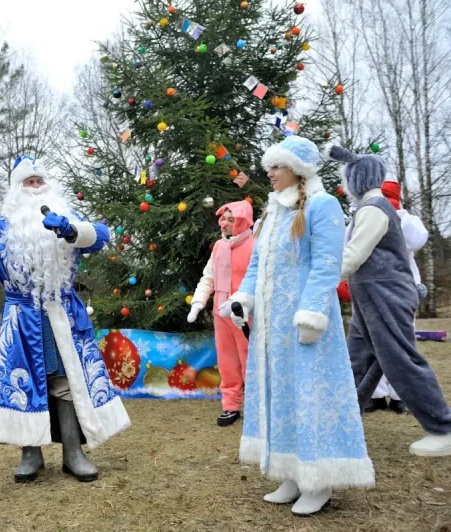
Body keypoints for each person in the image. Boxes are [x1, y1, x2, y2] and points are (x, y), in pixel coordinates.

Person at [0, 155, 130, 483]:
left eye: (39, 180)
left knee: (67, 381)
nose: (35, 186)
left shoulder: (65, 216)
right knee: (22, 381)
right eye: (29, 181)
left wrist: (71, 231)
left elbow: (100, 236)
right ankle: (31, 454)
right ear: (17, 188)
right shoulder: (1, 224)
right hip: (21, 316)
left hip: (63, 316)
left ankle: (73, 452)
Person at [225, 136, 374, 515]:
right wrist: (244, 297)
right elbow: (257, 265)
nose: (270, 174)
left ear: (297, 169)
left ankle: (319, 479)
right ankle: (290, 470)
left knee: (311, 394)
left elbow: (327, 263)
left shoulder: (322, 206)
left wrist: (311, 313)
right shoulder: (272, 213)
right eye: (269, 167)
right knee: (282, 395)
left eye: (277, 166)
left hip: (307, 322)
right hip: (271, 328)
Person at [330, 145, 451, 457]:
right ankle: (341, 420)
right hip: (368, 298)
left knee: (400, 360)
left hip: (387, 296)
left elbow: (354, 255)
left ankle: (443, 427)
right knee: (359, 360)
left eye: (347, 180)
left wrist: (320, 279)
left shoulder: (374, 210)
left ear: (357, 178)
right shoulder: (368, 209)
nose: (345, 188)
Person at [351, 180, 428, 415]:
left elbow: (417, 240)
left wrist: (394, 213)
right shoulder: (361, 216)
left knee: (402, 344)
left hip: (401, 289)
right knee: (370, 343)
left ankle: (400, 396)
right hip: (368, 288)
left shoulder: (408, 221)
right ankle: (375, 395)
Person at [188, 200, 255, 427]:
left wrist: (242, 304)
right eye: (223, 218)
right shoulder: (219, 246)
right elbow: (209, 276)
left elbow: (256, 280)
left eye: (230, 219)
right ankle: (231, 406)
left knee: (250, 361)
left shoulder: (254, 246)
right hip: (221, 313)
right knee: (226, 361)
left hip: (244, 315)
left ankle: (256, 406)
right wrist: (198, 302)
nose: (223, 223)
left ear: (243, 221)